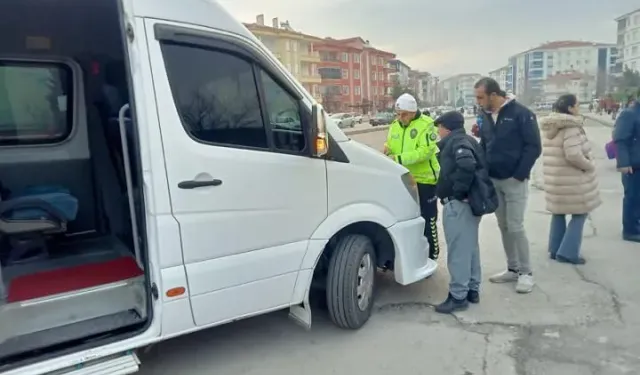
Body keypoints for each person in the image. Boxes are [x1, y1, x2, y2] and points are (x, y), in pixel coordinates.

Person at [473, 77, 541, 294]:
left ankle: (526, 273)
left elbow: (533, 146)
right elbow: (484, 144)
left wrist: (519, 175)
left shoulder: (521, 113)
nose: (478, 101)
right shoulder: (485, 116)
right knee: (503, 225)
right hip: (494, 180)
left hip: (514, 180)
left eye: (481, 97)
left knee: (516, 225)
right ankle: (512, 268)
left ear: (494, 95)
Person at [433, 111, 490, 313]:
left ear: (446, 127)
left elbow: (466, 164)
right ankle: (472, 289)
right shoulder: (466, 139)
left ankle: (458, 296)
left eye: (439, 127)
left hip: (459, 205)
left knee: (458, 251)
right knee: (470, 248)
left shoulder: (456, 142)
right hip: (469, 205)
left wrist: (458, 192)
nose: (437, 131)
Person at [539, 94, 601, 264]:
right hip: (572, 179)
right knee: (580, 213)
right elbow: (573, 154)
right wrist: (589, 165)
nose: (578, 108)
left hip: (556, 179)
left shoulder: (551, 126)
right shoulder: (571, 127)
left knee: (558, 213)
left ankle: (554, 248)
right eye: (577, 105)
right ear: (570, 108)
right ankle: (568, 252)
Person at [384, 93, 441, 259]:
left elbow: (425, 151)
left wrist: (399, 158)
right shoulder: (395, 125)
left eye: (403, 114)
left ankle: (432, 254)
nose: (400, 118)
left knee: (428, 219)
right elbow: (392, 144)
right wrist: (388, 148)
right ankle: (412, 253)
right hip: (403, 180)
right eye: (398, 114)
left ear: (412, 112)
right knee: (406, 218)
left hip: (425, 181)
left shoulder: (427, 125)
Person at [613, 92, 640, 243]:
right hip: (634, 165)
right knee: (633, 198)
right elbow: (620, 139)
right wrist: (623, 162)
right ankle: (630, 230)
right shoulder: (629, 114)